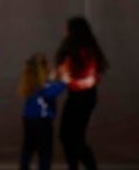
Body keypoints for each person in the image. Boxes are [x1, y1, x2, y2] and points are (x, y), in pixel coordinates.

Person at [55, 16, 108, 170]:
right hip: (75, 96)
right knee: (66, 135)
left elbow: (91, 80)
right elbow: (65, 72)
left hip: (85, 98)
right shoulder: (72, 51)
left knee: (75, 137)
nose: (64, 33)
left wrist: (69, 81)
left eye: (67, 29)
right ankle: (74, 166)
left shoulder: (87, 51)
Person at [17, 53, 66, 170]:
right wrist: (64, 82)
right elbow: (49, 93)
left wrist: (52, 78)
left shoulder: (33, 82)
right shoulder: (42, 85)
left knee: (28, 148)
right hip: (42, 121)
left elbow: (45, 87)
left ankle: (24, 166)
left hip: (29, 120)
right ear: (42, 67)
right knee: (45, 150)